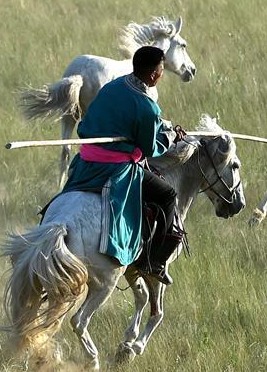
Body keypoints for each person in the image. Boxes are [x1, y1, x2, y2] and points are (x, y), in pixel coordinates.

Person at [59, 45, 192, 285]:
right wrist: (170, 137)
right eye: (161, 71)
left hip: (87, 163)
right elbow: (151, 148)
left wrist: (162, 125)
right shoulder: (147, 106)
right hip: (116, 169)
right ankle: (155, 262)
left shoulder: (112, 87)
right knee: (168, 195)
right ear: (154, 75)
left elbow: (88, 123)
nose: (161, 75)